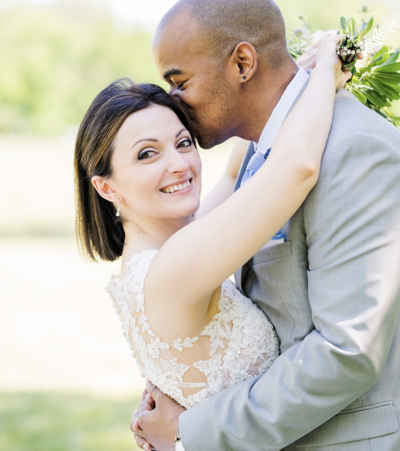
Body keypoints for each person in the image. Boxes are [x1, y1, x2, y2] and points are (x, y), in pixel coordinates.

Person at [130, 1, 400, 450]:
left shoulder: (355, 151)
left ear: (242, 62)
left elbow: (348, 350)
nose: (172, 102)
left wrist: (191, 431)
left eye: (179, 82)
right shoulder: (260, 153)